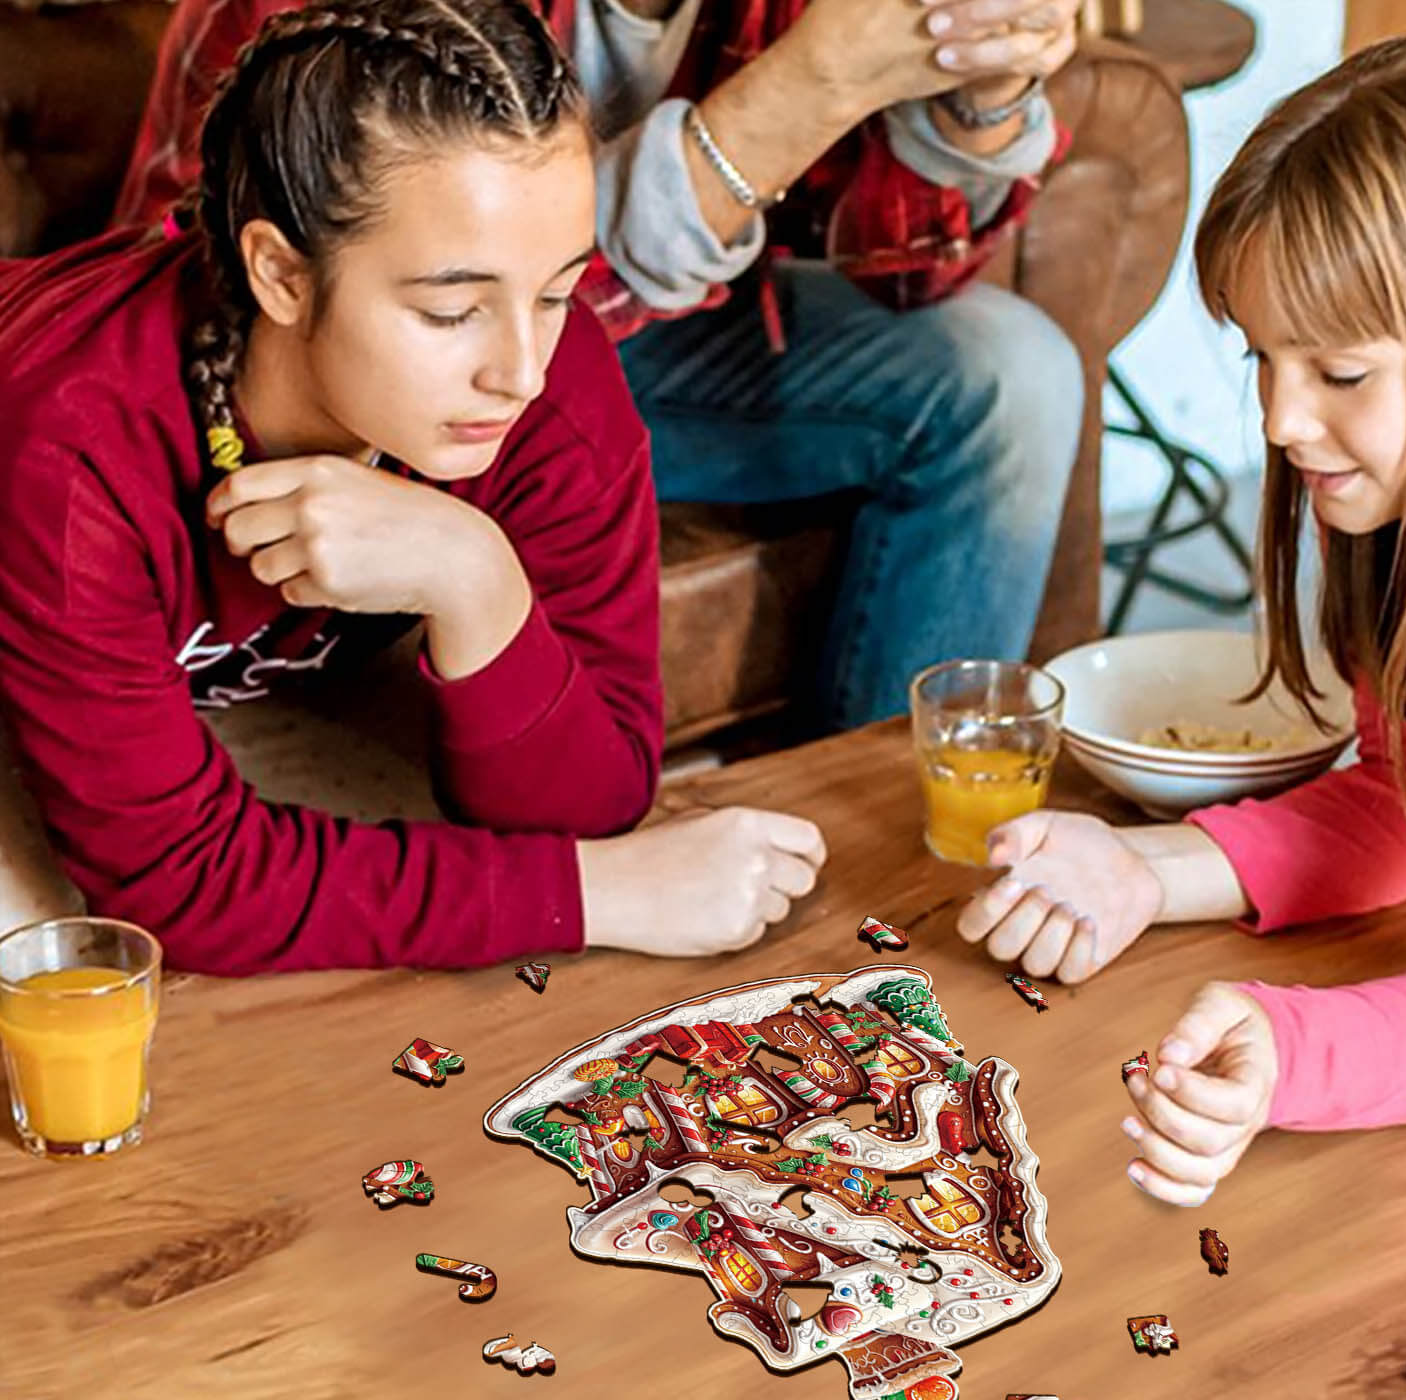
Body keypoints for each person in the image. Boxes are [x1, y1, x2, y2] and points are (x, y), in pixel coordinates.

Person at [0, 0, 824, 974]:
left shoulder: (549, 377)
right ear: (280, 274)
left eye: (555, 291)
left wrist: (475, 579)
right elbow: (183, 886)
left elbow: (596, 796)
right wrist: (600, 891)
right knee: (48, 963)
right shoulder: (73, 444)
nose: (520, 368)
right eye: (452, 310)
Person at [957, 28, 1406, 1205]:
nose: (1276, 420)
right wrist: (1144, 870)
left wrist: (1286, 1051)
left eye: (1339, 374)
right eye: (1262, 357)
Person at [113, 0, 1088, 733]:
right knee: (500, 330)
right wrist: (807, 88)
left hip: (630, 328)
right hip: (337, 365)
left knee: (1008, 373)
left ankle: (893, 838)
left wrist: (978, 94)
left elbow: (913, 278)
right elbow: (263, 307)